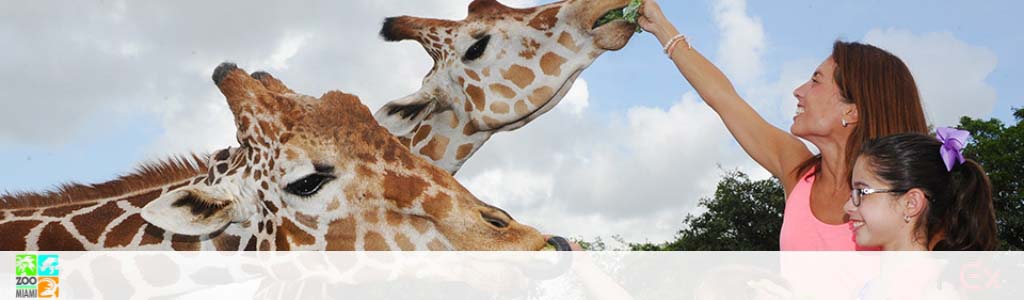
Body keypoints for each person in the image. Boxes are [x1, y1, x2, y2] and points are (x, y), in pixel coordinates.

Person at [637, 1, 929, 250]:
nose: (799, 90)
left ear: (851, 111)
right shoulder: (798, 171)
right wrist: (661, 26)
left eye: (815, 81)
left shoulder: (907, 204)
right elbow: (723, 98)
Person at [844, 129, 998, 251]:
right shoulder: (883, 283)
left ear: (911, 203)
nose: (847, 207)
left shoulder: (926, 288)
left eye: (862, 192)